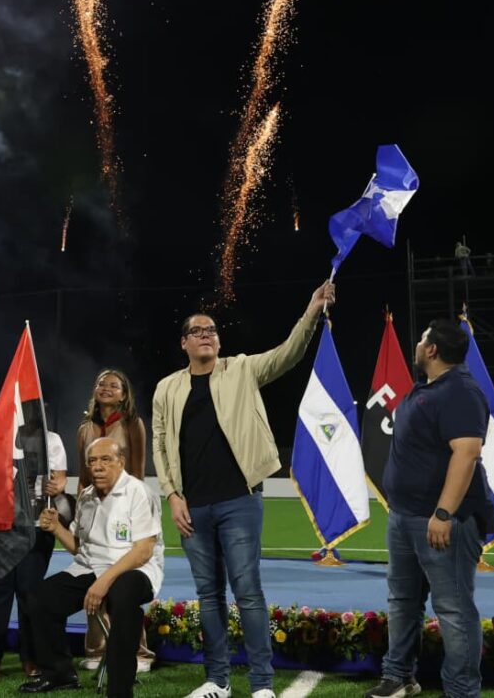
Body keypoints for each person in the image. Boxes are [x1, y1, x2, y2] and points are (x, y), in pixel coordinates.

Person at [152, 281, 334, 698]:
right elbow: (161, 445)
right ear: (183, 343)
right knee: (208, 595)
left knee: (248, 592)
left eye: (212, 329)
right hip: (192, 505)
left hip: (239, 499)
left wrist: (311, 310)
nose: (206, 335)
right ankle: (217, 681)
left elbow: (289, 354)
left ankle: (262, 685)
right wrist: (172, 495)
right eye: (197, 330)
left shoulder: (242, 368)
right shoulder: (167, 388)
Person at [366, 319, 493, 698]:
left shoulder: (461, 392)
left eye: (422, 339)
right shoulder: (430, 388)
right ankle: (400, 677)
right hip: (405, 517)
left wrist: (443, 513)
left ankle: (461, 691)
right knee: (403, 600)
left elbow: (467, 453)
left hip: (441, 521)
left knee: (453, 610)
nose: (418, 344)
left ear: (433, 350)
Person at [22, 437, 164, 697]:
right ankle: (59, 672)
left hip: (135, 569)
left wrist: (103, 582)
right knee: (39, 599)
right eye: (92, 461)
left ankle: (119, 689)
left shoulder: (138, 492)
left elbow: (143, 550)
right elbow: (79, 547)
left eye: (105, 460)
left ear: (121, 462)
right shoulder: (86, 497)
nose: (97, 466)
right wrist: (56, 528)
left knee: (123, 597)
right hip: (89, 567)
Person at [75, 369, 151, 674]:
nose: (105, 388)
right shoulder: (85, 429)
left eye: (113, 385)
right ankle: (96, 648)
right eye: (101, 384)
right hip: (92, 512)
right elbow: (82, 477)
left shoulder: (133, 424)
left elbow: (138, 470)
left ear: (124, 394)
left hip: (123, 512)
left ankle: (139, 652)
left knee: (123, 584)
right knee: (93, 576)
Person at [0, 428, 67, 679]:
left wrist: (57, 486)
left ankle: (29, 657)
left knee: (29, 593)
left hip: (36, 527)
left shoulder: (51, 439)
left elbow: (60, 478)